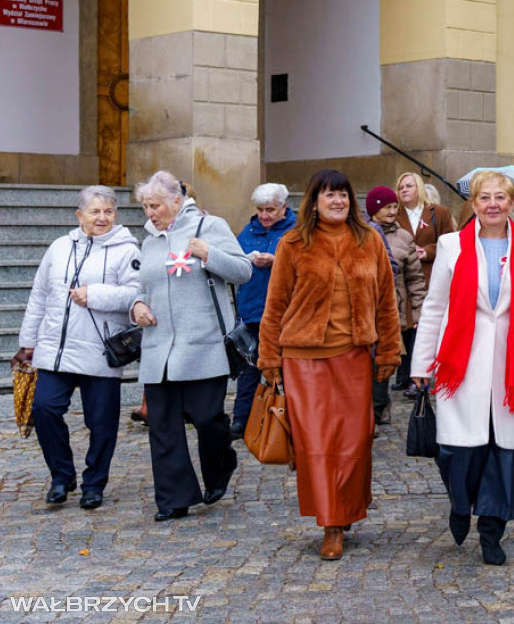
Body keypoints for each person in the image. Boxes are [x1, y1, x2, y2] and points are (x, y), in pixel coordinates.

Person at [411, 171, 514, 566]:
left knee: (502, 453)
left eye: (500, 198)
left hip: (511, 367)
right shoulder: (451, 245)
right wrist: (422, 364)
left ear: (512, 203)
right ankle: (460, 504)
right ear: (473, 204)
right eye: (484, 198)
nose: (493, 204)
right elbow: (435, 306)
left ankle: (492, 531)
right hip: (461, 365)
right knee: (458, 452)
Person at [258, 169, 400, 560]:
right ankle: (330, 524)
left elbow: (388, 301)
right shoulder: (293, 243)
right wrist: (269, 357)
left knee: (355, 441)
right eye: (329, 195)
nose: (337, 201)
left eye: (343, 195)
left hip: (355, 356)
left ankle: (346, 508)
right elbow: (276, 306)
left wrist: (390, 350)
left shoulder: (370, 240)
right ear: (315, 202)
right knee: (318, 444)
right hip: (304, 360)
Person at [131, 170, 252, 522]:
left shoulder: (208, 227)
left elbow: (243, 270)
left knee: (207, 418)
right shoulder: (149, 240)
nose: (150, 213)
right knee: (163, 425)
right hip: (158, 349)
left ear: (176, 201)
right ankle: (173, 498)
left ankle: (220, 464)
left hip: (203, 345)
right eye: (145, 207)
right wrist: (136, 306)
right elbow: (143, 286)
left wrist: (209, 254)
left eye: (155, 205)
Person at [14, 186, 140, 510]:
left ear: (116, 214)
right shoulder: (59, 247)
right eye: (95, 212)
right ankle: (61, 476)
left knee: (101, 422)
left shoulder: (127, 250)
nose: (102, 218)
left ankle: (94, 483)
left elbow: (137, 294)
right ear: (79, 215)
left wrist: (94, 294)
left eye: (108, 211)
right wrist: (27, 343)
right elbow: (39, 295)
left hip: (101, 351)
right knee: (44, 409)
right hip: (56, 350)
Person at [231, 183, 297, 440]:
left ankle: (288, 419)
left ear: (283, 207)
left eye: (270, 209)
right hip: (253, 310)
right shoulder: (248, 231)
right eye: (260, 210)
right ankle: (242, 419)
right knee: (249, 368)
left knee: (286, 369)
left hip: (286, 312)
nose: (265, 215)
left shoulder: (295, 231)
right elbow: (233, 260)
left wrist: (275, 260)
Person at [366, 185, 426, 425]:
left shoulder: (404, 237)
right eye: (387, 207)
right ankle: (369, 410)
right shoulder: (362, 232)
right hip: (365, 308)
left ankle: (379, 409)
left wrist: (419, 310)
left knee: (384, 361)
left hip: (393, 307)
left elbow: (415, 277)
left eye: (394, 207)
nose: (392, 211)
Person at [393, 171, 456, 399]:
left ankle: (421, 377)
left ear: (419, 187)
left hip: (431, 275)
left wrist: (427, 251)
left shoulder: (437, 213)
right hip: (404, 279)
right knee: (408, 326)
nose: (405, 190)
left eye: (409, 186)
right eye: (401, 187)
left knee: (425, 325)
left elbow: (451, 243)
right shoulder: (395, 213)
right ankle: (408, 375)